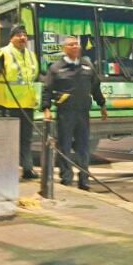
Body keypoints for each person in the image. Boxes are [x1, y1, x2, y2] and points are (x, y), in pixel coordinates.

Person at [41, 35, 108, 190]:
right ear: (65, 48)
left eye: (76, 44)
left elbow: (96, 88)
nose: (75, 47)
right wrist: (46, 109)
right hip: (65, 113)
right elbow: (47, 90)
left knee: (83, 148)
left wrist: (102, 105)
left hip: (83, 113)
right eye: (71, 45)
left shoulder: (87, 66)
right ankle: (66, 178)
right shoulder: (56, 68)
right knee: (64, 146)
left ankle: (84, 179)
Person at [0, 24, 40, 180]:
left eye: (25, 35)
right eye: (18, 34)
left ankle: (27, 169)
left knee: (26, 139)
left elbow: (33, 79)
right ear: (11, 37)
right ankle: (7, 171)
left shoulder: (31, 55)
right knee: (8, 141)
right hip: (7, 104)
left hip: (26, 104)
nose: (22, 37)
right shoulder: (2, 53)